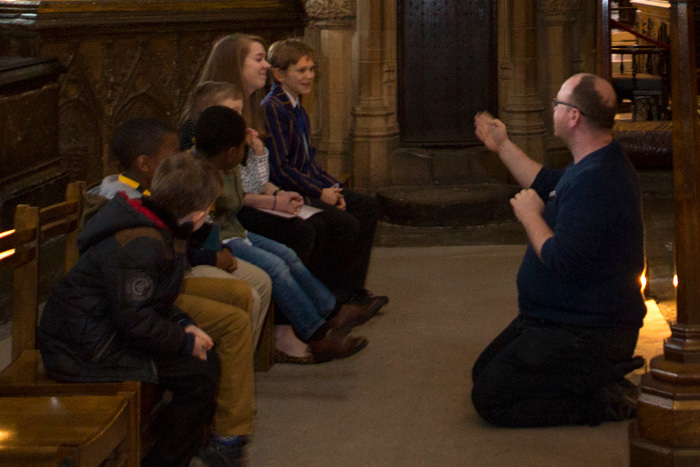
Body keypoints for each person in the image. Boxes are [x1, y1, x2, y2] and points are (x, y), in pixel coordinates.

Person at [38, 153, 251, 466]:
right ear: (194, 213)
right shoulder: (143, 243)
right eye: (208, 209)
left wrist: (186, 327)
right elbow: (136, 321)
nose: (208, 215)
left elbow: (156, 301)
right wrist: (185, 340)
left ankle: (168, 450)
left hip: (103, 333)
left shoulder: (160, 226)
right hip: (84, 351)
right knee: (199, 372)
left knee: (202, 363)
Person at [470, 73, 647, 427]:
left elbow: (564, 262)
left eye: (557, 103)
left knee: (490, 399)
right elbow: (547, 182)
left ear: (573, 116)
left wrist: (530, 216)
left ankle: (604, 399)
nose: (553, 109)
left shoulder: (598, 179)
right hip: (554, 318)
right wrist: (502, 145)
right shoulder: (594, 160)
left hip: (588, 332)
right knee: (483, 371)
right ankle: (592, 380)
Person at [195, 105, 380, 363]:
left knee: (288, 255)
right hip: (221, 239)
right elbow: (206, 224)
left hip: (235, 230)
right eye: (241, 148)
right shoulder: (200, 175)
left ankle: (331, 310)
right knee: (276, 266)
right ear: (229, 153)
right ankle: (317, 335)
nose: (243, 152)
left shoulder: (223, 166)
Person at [96, 117, 271, 348]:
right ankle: (218, 361)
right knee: (241, 304)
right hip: (158, 284)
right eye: (173, 155)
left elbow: (186, 230)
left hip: (173, 269)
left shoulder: (154, 188)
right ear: (145, 164)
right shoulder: (123, 201)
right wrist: (212, 257)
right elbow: (166, 247)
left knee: (261, 282)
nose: (181, 159)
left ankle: (238, 360)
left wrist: (219, 248)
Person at [262, 38, 388, 306]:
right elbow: (282, 169)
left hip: (308, 185)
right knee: (346, 224)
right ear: (279, 74)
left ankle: (351, 290)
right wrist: (321, 193)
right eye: (301, 70)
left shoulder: (297, 107)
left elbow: (309, 163)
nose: (309, 76)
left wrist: (334, 187)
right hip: (288, 191)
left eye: (311, 69)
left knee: (367, 206)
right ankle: (333, 296)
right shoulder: (273, 108)